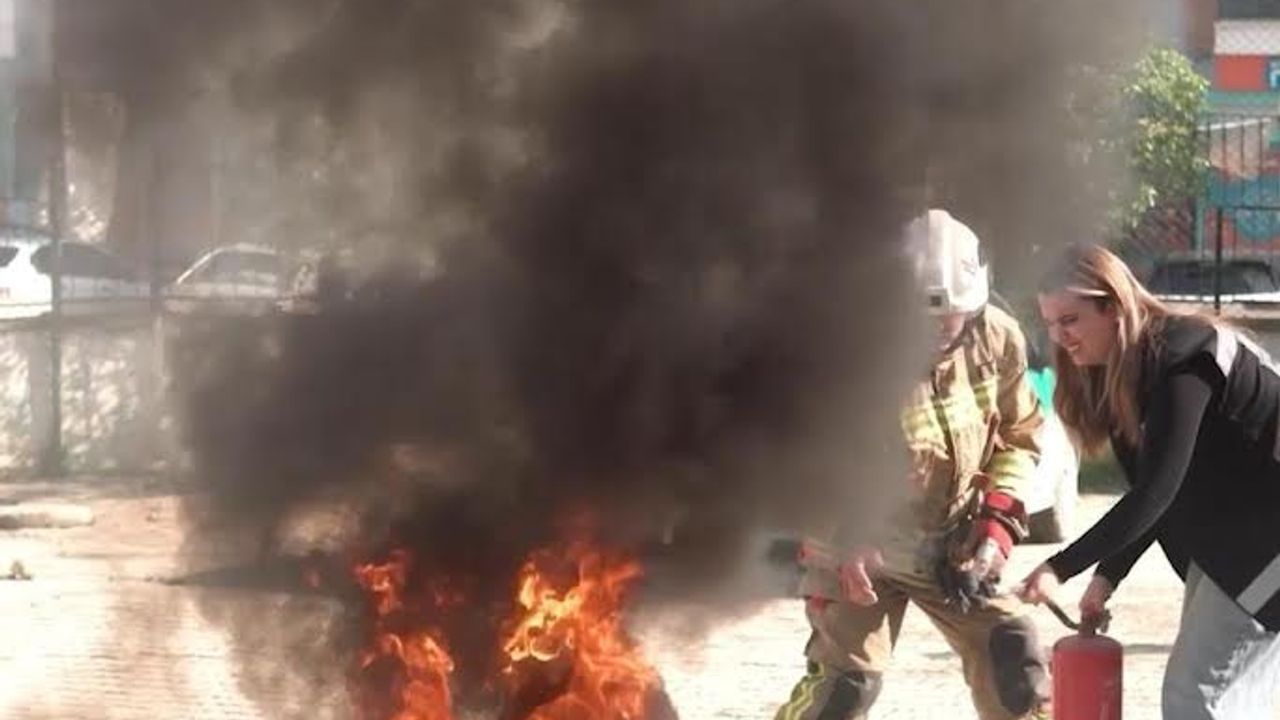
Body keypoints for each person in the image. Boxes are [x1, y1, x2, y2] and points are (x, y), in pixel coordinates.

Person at [775, 209, 1051, 720]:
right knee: (845, 687)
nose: (938, 328)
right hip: (860, 547)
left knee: (1014, 656)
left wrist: (996, 525)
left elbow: (1020, 435)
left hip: (952, 545)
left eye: (951, 314)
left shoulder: (997, 339)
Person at [1019, 244, 1280, 718]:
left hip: (1266, 541)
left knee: (1195, 696)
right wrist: (1106, 577)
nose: (1060, 337)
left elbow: (1155, 494)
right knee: (1225, 700)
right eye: (1051, 324)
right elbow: (1157, 495)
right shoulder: (1129, 376)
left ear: (1114, 306)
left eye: (1071, 320)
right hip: (1242, 539)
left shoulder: (1183, 358)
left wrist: (1061, 566)